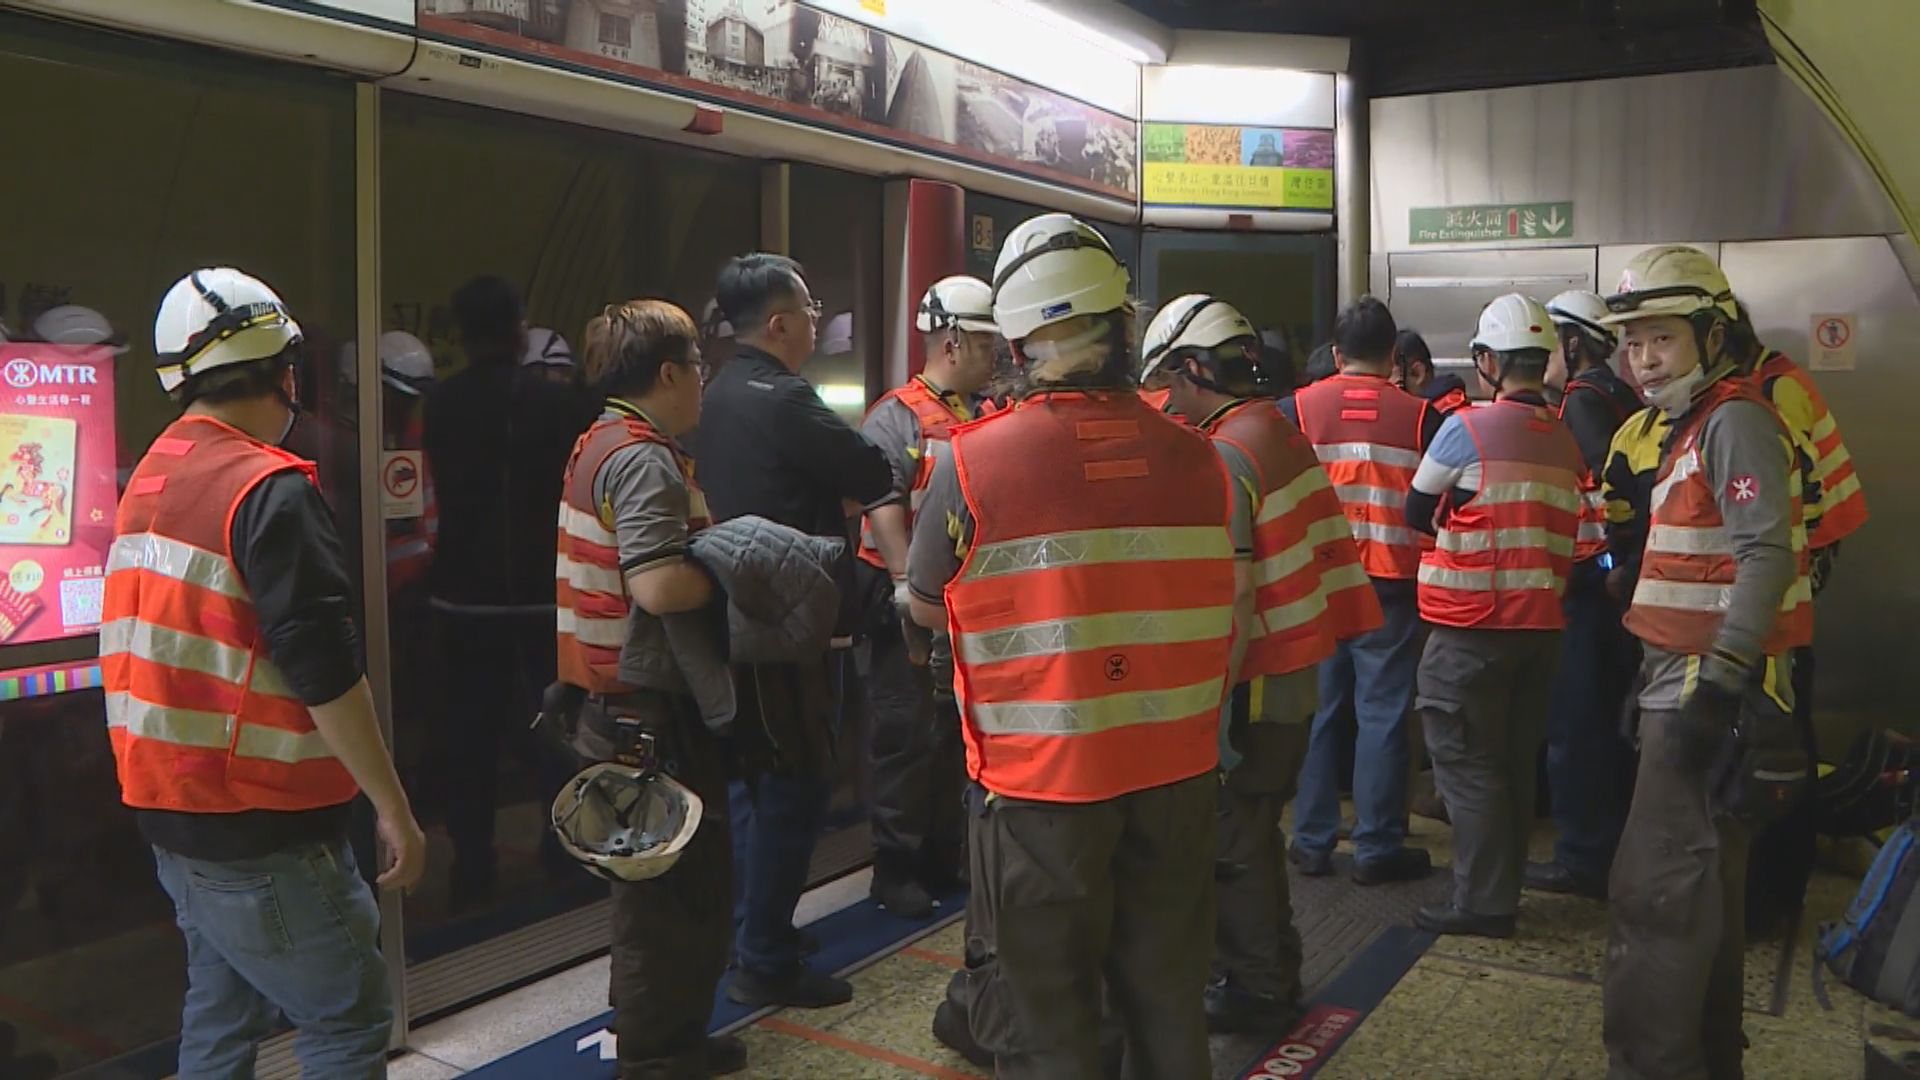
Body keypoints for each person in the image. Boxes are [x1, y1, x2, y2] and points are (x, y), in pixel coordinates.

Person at [908, 214, 1235, 1078]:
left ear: (1016, 335)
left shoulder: (972, 462)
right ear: (1124, 325)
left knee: (1048, 1017)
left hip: (1041, 786)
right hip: (1177, 771)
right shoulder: (1205, 460)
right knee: (1168, 997)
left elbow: (923, 601)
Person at [105, 268, 427, 1076]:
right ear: (288, 371)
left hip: (172, 809)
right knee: (349, 1019)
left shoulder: (154, 471)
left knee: (223, 1012)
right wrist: (394, 808)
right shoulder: (266, 489)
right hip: (260, 819)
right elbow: (324, 673)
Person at [1597, 246, 1809, 1077]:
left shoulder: (1734, 421)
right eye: (1636, 342)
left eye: (1663, 340)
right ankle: (1713, 1060)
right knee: (1704, 897)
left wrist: (1714, 683)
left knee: (1656, 897)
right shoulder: (1695, 424)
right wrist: (1652, 675)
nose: (1644, 360)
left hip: (1705, 690)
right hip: (1677, 681)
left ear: (1713, 338)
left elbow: (1766, 557)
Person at [1144, 294, 1381, 1036]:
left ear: (1192, 368)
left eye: (1168, 380)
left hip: (1252, 679)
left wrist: (1207, 704)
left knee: (1233, 838)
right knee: (1257, 830)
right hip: (1295, 666)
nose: (1166, 398)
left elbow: (1236, 588)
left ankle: (1255, 988)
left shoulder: (1222, 451)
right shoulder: (1274, 428)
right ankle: (1274, 964)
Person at [693, 253, 894, 1009]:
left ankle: (756, 927)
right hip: (795, 623)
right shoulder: (787, 399)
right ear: (778, 323)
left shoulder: (718, 396)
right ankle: (767, 959)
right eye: (809, 308)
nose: (817, 320)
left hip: (740, 616)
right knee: (795, 789)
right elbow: (873, 472)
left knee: (755, 786)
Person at [551, 299, 746, 1078]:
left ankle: (665, 1039)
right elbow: (660, 585)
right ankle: (659, 1058)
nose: (705, 379)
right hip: (647, 707)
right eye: (699, 364)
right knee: (668, 897)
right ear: (668, 372)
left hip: (615, 700)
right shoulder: (642, 457)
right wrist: (743, 571)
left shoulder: (599, 440)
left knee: (656, 890)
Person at [1405, 295, 1583, 938]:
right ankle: (1499, 891)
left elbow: (1415, 510)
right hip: (1540, 631)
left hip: (1470, 628)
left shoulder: (1467, 428)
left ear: (1487, 361)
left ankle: (1482, 903)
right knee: (1509, 764)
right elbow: (1586, 535)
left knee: (1465, 764)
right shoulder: (1564, 438)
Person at [424, 275, 596, 902]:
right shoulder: (559, 405)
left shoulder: (441, 404)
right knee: (556, 729)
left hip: (462, 597)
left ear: (462, 336)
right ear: (520, 329)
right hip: (543, 594)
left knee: (470, 738)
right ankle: (563, 851)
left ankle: (471, 866)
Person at [1282, 296, 1444, 885]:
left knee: (1321, 710)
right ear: (1393, 356)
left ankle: (1311, 840)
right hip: (1391, 587)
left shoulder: (1296, 410)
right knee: (1383, 712)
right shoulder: (1423, 418)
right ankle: (1376, 846)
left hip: (1319, 583)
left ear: (1334, 353)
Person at [855, 276, 996, 917]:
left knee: (951, 734)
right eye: (988, 342)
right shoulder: (897, 416)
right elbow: (882, 506)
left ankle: (943, 855)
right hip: (909, 607)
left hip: (966, 606)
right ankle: (896, 867)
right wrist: (906, 593)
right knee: (904, 736)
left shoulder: (987, 414)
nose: (998, 356)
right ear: (953, 339)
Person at [1732, 302, 1867, 936]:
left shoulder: (1772, 392)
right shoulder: (1768, 382)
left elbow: (1784, 501)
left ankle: (1772, 899)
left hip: (1785, 600)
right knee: (1784, 740)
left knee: (1780, 747)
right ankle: (1772, 894)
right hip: (1793, 586)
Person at [1525, 291, 1644, 899]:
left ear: (1570, 345)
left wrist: (1597, 569)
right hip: (1623, 590)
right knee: (1607, 720)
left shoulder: (1582, 402)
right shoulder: (1622, 395)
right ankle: (1610, 846)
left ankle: (1583, 856)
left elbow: (1597, 503)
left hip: (1593, 593)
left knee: (1578, 723)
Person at [1393, 328, 1469, 411]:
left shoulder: (1437, 418)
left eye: (1394, 386)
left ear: (1418, 373)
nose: (1386, 393)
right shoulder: (1455, 408)